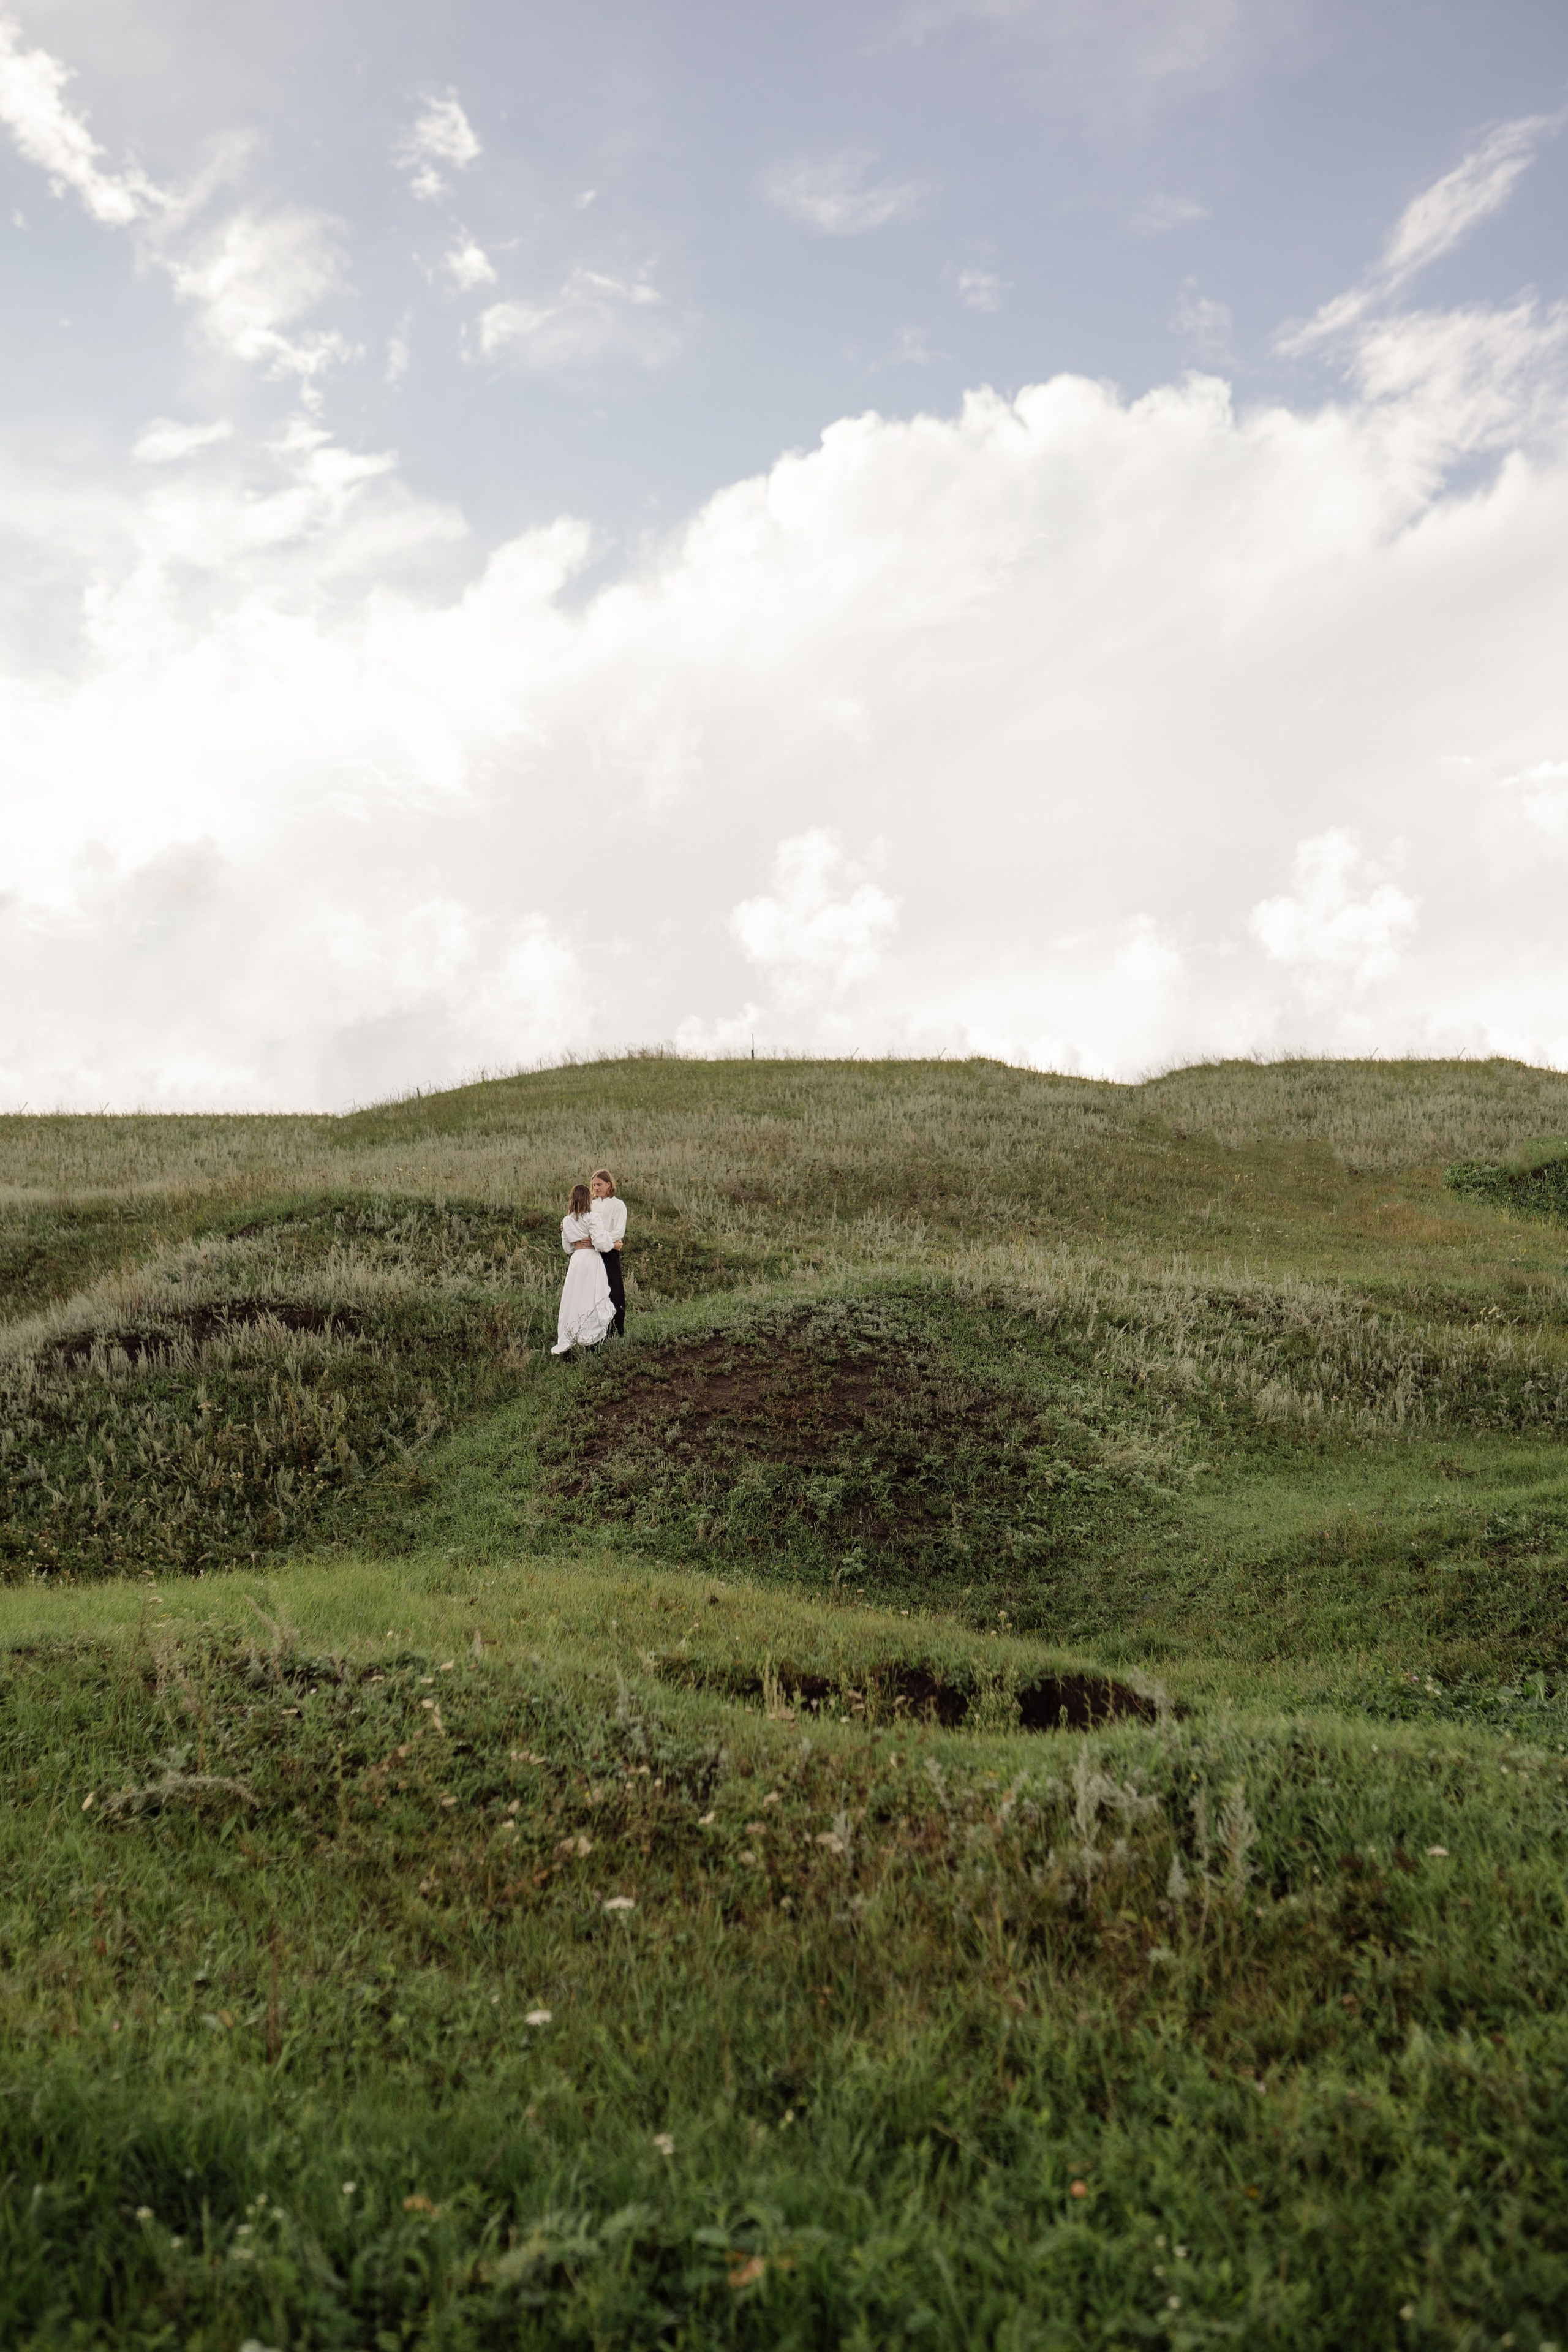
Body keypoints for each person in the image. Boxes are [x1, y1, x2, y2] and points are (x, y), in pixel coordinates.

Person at [552, 1183, 616, 1356]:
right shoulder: (592, 1217)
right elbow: (602, 1243)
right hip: (590, 1260)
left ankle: (573, 1335)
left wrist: (578, 1241)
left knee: (575, 1300)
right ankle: (590, 1340)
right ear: (588, 1199)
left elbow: (568, 1248)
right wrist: (611, 1242)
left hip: (577, 1261)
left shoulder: (566, 1221)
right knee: (591, 1298)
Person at [588, 1167, 627, 1337]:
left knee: (614, 1290)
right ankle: (596, 1331)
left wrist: (604, 1242)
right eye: (594, 1185)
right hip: (593, 1253)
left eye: (600, 1184)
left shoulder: (618, 1205)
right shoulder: (591, 1205)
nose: (596, 1188)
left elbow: (618, 1232)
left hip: (609, 1252)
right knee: (595, 1291)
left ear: (609, 1184)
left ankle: (617, 1329)